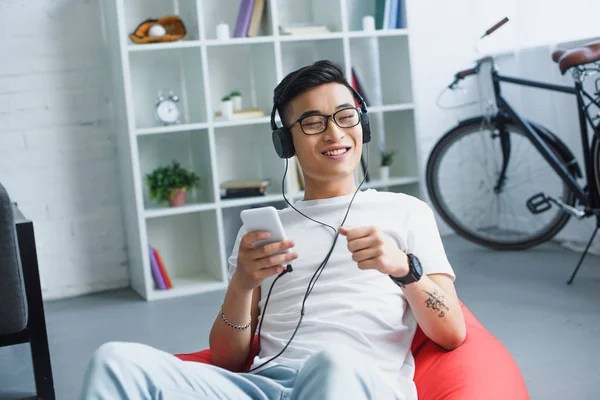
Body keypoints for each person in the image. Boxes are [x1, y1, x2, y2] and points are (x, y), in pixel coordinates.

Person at [80, 60, 466, 400]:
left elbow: (452, 333)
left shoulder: (406, 212)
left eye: (346, 116)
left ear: (362, 125)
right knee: (114, 360)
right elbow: (228, 358)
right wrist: (243, 284)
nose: (334, 134)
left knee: (330, 363)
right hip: (265, 387)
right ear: (286, 142)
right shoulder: (266, 232)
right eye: (313, 123)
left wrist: (403, 268)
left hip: (354, 383)